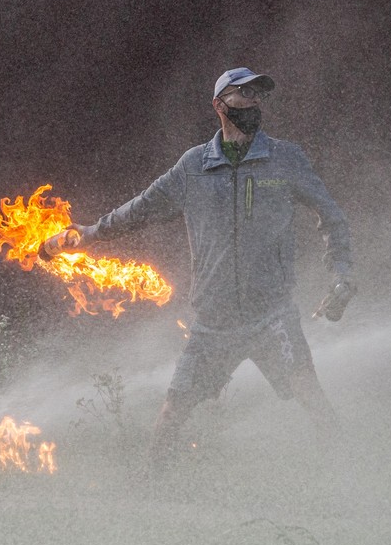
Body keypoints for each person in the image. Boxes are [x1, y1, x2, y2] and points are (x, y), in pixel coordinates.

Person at [45, 68, 355, 466]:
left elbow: (331, 216)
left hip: (272, 314)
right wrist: (90, 233)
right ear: (219, 105)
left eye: (258, 95)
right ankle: (150, 495)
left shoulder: (285, 159)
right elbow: (141, 209)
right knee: (173, 412)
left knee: (310, 395)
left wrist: (342, 275)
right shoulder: (194, 167)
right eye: (244, 93)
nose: (254, 102)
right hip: (215, 322)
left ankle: (348, 480)